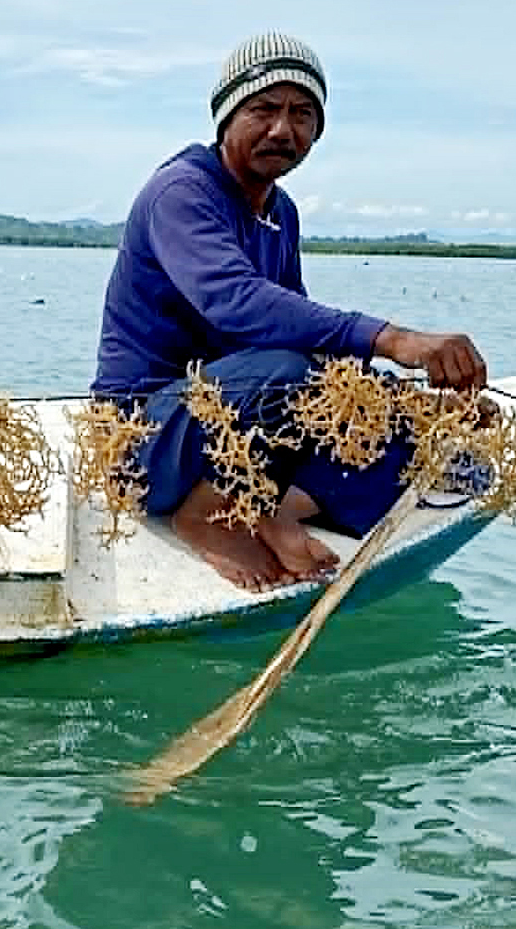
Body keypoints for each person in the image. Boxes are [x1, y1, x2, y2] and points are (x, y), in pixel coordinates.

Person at [92, 33, 488, 593]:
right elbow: (238, 304)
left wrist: (412, 407)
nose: (284, 129)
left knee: (440, 457)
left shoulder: (281, 212)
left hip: (238, 425)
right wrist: (392, 339)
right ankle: (207, 514)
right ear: (227, 117)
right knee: (287, 372)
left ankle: (275, 505)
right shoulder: (181, 194)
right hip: (145, 438)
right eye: (264, 109)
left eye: (302, 114)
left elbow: (307, 338)